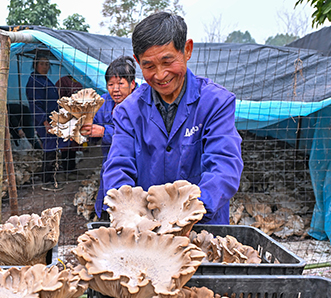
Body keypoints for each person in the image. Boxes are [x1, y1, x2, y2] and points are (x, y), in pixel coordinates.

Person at [102, 12, 243, 224]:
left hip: (202, 226)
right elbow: (118, 166)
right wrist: (130, 212)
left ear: (187, 50)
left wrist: (190, 211)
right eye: (149, 66)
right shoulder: (128, 111)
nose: (160, 75)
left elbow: (224, 167)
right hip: (145, 229)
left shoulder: (216, 102)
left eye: (168, 61)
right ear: (138, 61)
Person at [80, 56, 139, 220]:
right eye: (111, 84)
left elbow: (134, 134)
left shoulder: (141, 103)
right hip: (110, 160)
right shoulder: (105, 101)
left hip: (136, 162)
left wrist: (104, 131)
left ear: (132, 84)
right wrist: (85, 129)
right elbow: (94, 122)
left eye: (120, 84)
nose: (115, 89)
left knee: (132, 203)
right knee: (107, 197)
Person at [25, 53, 71, 191]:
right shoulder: (34, 81)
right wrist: (44, 121)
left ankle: (52, 176)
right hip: (45, 121)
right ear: (35, 65)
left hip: (53, 119)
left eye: (47, 64)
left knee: (53, 148)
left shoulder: (44, 80)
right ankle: (47, 181)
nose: (45, 67)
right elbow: (35, 104)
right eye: (41, 64)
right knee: (49, 149)